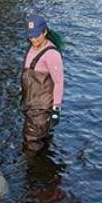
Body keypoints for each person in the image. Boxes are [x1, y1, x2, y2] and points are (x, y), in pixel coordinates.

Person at [21, 14, 65, 153]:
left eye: (36, 35)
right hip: (30, 103)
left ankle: (32, 171)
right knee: (42, 140)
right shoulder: (32, 47)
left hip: (41, 108)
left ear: (45, 32)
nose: (33, 39)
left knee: (31, 143)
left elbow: (59, 82)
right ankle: (45, 168)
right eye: (30, 36)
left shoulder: (51, 54)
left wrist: (56, 109)